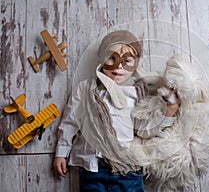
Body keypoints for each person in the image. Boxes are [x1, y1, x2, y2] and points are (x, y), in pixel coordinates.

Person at [53, 30, 179, 192]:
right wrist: (61, 153)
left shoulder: (136, 93)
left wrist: (168, 113)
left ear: (135, 65)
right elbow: (70, 122)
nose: (118, 66)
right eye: (112, 58)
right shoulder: (85, 89)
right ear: (101, 59)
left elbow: (143, 129)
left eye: (127, 60)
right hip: (93, 168)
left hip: (127, 170)